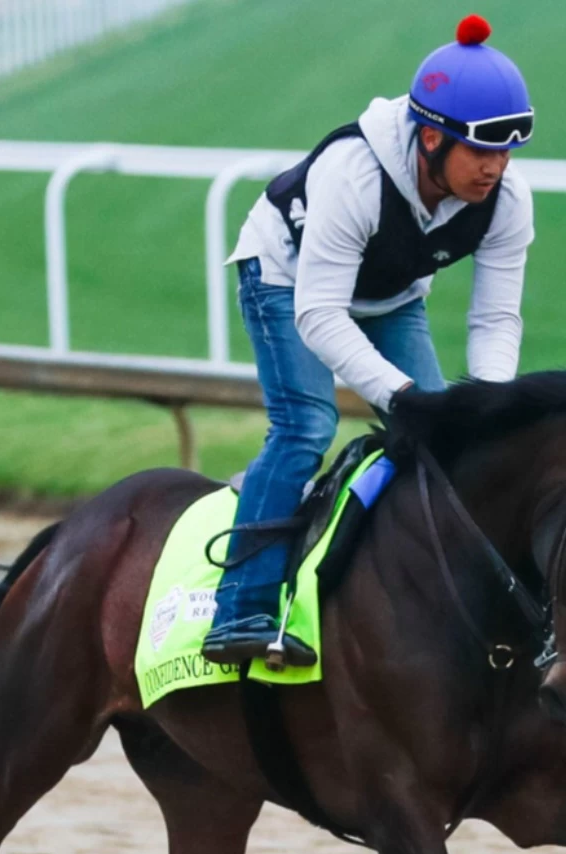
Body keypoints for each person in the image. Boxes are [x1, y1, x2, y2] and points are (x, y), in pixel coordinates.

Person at [201, 13, 536, 667]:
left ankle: (431, 606)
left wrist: (489, 407)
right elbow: (320, 315)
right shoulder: (353, 176)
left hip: (388, 297)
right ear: (431, 138)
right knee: (306, 427)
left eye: (505, 152)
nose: (495, 169)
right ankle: (240, 609)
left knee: (450, 451)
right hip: (287, 279)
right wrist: (401, 395)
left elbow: (495, 321)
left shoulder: (509, 200)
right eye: (480, 151)